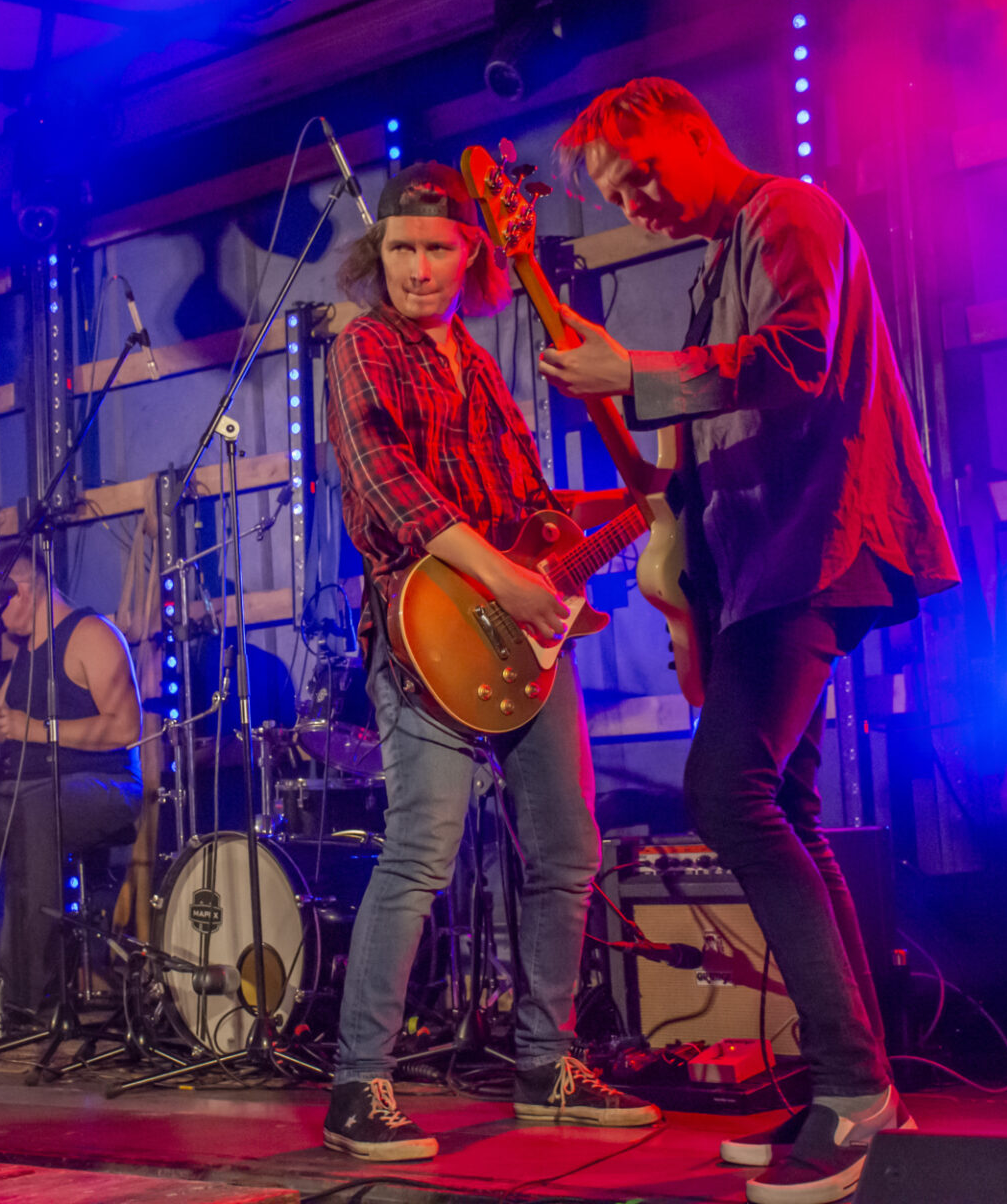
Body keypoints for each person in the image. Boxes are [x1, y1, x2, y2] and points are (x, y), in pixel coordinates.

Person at [541, 78, 960, 1204]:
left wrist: (633, 371)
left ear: (692, 131)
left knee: (726, 792)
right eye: (615, 195)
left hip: (812, 549)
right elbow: (712, 445)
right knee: (788, 810)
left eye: (638, 175)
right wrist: (617, 497)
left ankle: (855, 1084)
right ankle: (855, 1083)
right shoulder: (716, 261)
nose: (636, 203)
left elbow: (798, 358)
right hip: (761, 566)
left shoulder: (791, 212)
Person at [320, 162, 660, 1162]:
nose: (418, 268)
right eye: (401, 248)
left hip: (524, 641)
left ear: (471, 256)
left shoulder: (479, 362)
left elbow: (527, 506)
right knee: (421, 851)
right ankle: (357, 1085)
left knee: (569, 849)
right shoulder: (363, 346)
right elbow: (389, 487)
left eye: (437, 249)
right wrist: (506, 580)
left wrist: (617, 519)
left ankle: (547, 1063)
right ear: (378, 252)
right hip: (425, 630)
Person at [0, 550, 144, 1018]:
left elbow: (125, 727)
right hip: (33, 791)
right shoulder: (25, 655)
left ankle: (27, 998)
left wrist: (38, 729)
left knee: (34, 808)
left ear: (22, 589)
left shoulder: (92, 634)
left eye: (0, 602)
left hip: (107, 784)